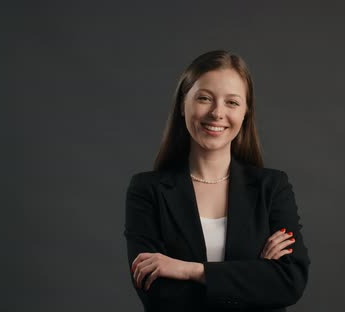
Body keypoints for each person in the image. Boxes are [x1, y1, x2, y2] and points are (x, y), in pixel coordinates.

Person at [124, 50, 310, 311]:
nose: (217, 113)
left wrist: (190, 270)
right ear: (182, 104)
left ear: (246, 112)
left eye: (232, 103)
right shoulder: (147, 190)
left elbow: (290, 282)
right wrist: (255, 274)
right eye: (204, 98)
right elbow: (157, 295)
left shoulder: (272, 188)